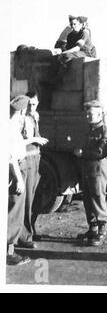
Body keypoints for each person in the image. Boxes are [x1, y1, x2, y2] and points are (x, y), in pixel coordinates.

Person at [74, 100, 107, 246]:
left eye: (91, 114)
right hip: (87, 169)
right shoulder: (89, 130)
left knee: (97, 197)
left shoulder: (103, 131)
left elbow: (100, 152)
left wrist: (82, 152)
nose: (88, 117)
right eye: (87, 114)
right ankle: (93, 228)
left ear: (99, 115)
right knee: (87, 199)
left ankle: (102, 230)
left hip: (97, 170)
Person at [18, 92, 48, 248]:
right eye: (29, 104)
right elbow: (18, 141)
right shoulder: (20, 118)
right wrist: (36, 139)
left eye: (34, 104)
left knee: (36, 198)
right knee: (27, 198)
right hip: (27, 160)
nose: (31, 107)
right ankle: (24, 236)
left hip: (36, 159)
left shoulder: (35, 116)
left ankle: (31, 230)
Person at [8, 95, 31, 265]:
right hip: (14, 171)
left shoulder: (11, 123)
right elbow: (9, 157)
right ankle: (9, 252)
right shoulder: (9, 126)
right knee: (14, 213)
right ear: (22, 110)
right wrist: (18, 179)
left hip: (16, 168)